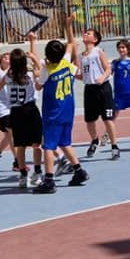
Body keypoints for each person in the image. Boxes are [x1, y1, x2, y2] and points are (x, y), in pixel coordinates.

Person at [34, 16, 89, 194]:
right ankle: (79, 171)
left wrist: (39, 70)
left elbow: (37, 86)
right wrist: (68, 25)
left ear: (48, 56)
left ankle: (49, 180)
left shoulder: (47, 70)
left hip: (53, 113)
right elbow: (72, 45)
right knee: (65, 142)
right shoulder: (67, 64)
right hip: (68, 111)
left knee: (48, 146)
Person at [0, 46, 45, 189]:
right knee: (37, 144)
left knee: (20, 146)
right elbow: (41, 74)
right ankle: (37, 172)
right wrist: (34, 58)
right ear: (24, 61)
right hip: (30, 110)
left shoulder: (8, 75)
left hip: (16, 111)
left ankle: (23, 175)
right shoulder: (29, 73)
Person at [80, 28, 122, 160]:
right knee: (89, 120)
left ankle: (114, 146)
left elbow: (108, 69)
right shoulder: (82, 56)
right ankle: (94, 140)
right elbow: (82, 75)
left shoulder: (98, 52)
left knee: (107, 119)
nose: (86, 34)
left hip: (103, 88)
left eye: (89, 33)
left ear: (95, 39)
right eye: (85, 32)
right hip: (89, 90)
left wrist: (102, 77)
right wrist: (71, 73)